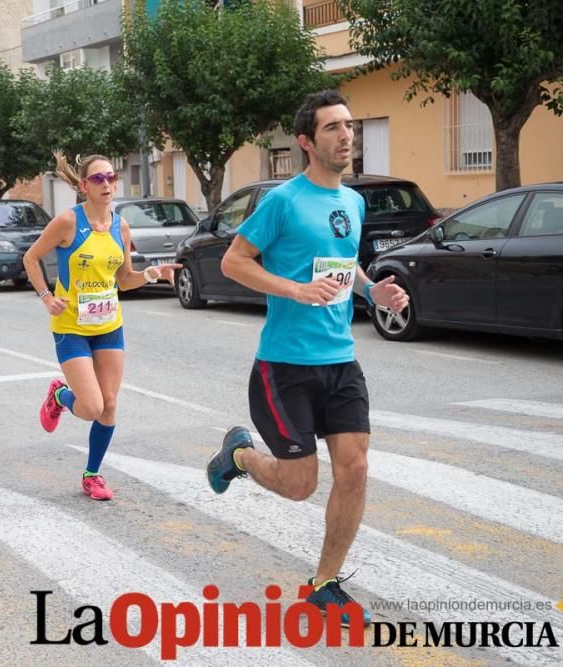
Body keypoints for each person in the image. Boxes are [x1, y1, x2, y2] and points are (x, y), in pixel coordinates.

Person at [206, 90, 410, 627]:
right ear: (306, 142)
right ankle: (240, 456)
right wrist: (294, 290)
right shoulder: (284, 201)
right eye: (333, 128)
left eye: (350, 125)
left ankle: (324, 584)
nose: (347, 136)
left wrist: (374, 293)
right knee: (300, 485)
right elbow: (234, 262)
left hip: (340, 360)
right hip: (285, 365)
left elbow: (345, 267)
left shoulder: (354, 201)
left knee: (356, 468)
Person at [22, 153, 180, 501]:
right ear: (84, 186)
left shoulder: (120, 226)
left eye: (111, 177)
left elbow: (124, 280)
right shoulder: (67, 222)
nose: (107, 184)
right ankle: (60, 396)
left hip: (109, 325)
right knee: (91, 406)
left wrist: (153, 274)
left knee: (109, 405)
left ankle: (92, 474)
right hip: (72, 326)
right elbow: (30, 258)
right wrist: (47, 296)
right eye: (98, 179)